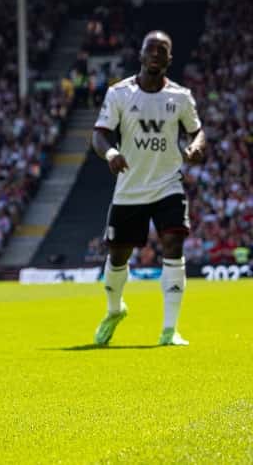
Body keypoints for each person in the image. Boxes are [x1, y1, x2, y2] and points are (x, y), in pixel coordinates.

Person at [91, 30, 205, 347]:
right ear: (141, 55)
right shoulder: (119, 94)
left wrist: (195, 147)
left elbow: (198, 132)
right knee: (118, 257)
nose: (155, 54)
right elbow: (99, 135)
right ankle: (114, 311)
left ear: (169, 59)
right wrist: (112, 153)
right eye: (150, 49)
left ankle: (169, 330)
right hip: (130, 188)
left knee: (173, 244)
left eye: (162, 50)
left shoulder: (181, 97)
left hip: (168, 184)